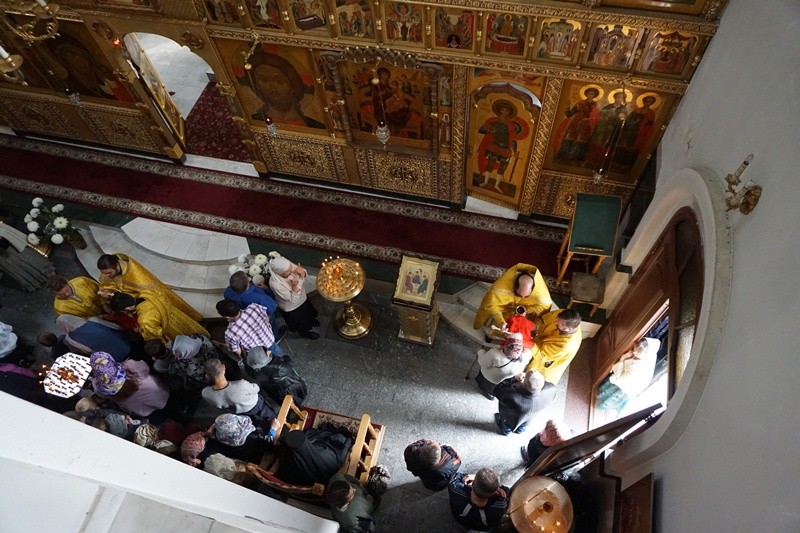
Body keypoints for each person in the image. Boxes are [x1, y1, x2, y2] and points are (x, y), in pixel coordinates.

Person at [97, 253, 202, 322]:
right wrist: (105, 300)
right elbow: (105, 286)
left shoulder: (136, 274)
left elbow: (151, 293)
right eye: (104, 273)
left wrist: (129, 302)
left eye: (109, 273)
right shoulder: (107, 273)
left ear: (116, 265)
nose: (107, 276)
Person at [243, 52, 325, 128]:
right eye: (264, 80)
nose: (272, 87)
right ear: (257, 86)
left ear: (293, 86)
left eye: (278, 81)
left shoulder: (315, 127)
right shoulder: (254, 121)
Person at [473, 263, 552, 342]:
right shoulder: (499, 288)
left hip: (526, 314)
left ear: (533, 289)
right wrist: (501, 321)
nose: (522, 298)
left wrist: (527, 310)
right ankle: (492, 336)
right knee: (497, 326)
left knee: (523, 328)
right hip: (504, 311)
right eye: (519, 295)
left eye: (526, 296)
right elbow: (491, 305)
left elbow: (543, 307)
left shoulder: (541, 294)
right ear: (514, 286)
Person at [89, 351, 170, 418]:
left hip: (143, 411)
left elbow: (98, 389)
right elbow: (146, 367)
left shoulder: (100, 388)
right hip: (160, 394)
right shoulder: (130, 366)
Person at [108, 291, 209, 343]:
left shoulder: (144, 319)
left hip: (172, 329)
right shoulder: (147, 293)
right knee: (194, 330)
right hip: (178, 315)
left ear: (126, 308)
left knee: (191, 340)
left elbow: (154, 335)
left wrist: (140, 331)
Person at [475, 99, 531, 192]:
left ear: (509, 112)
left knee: (503, 167)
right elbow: (481, 130)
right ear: (499, 110)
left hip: (505, 148)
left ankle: (497, 186)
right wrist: (490, 130)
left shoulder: (512, 125)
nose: (504, 112)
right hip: (494, 146)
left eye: (507, 110)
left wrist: (515, 151)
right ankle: (485, 182)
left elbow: (512, 139)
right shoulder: (492, 120)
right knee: (490, 164)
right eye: (503, 110)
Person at [596, 337, 660, 415]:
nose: (635, 352)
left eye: (638, 352)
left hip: (627, 386)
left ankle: (602, 406)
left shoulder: (638, 368)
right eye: (635, 349)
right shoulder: (650, 355)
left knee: (612, 397)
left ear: (645, 354)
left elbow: (620, 378)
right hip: (630, 384)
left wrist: (622, 359)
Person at [215, 299, 286, 366]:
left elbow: (237, 350)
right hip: (268, 340)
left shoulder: (230, 333)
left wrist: (241, 358)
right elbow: (267, 318)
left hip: (255, 353)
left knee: (261, 364)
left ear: (227, 317)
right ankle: (284, 362)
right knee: (280, 355)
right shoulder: (254, 307)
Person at [201, 357, 276, 420]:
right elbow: (256, 388)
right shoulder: (241, 385)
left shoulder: (205, 393)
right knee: (269, 415)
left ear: (207, 376)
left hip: (238, 412)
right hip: (255, 405)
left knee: (249, 421)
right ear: (223, 367)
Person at [278, 426, 354, 486]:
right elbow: (341, 457)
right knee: (339, 438)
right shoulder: (329, 463)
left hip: (309, 478)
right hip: (329, 460)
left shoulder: (288, 463)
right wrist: (349, 439)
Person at [523, 308, 582, 385]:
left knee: (530, 379)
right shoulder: (561, 316)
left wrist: (527, 343)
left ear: (568, 329)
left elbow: (542, 355)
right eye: (557, 319)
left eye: (559, 324)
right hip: (542, 343)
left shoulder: (566, 345)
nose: (556, 322)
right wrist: (533, 326)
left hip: (547, 360)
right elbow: (544, 322)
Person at [267, 253, 319, 339]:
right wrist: (296, 284)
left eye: (290, 268)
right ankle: (306, 333)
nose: (291, 271)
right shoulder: (275, 284)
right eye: (287, 271)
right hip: (292, 307)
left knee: (309, 312)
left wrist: (302, 272)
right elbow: (293, 299)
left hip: (303, 298)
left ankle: (312, 321)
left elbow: (302, 271)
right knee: (301, 323)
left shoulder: (288, 266)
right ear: (280, 273)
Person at [145, 334, 220, 392]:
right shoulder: (201, 338)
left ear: (154, 357)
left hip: (208, 378)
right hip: (217, 362)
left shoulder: (176, 365)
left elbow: (175, 373)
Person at [494, 370, 556, 435]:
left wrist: (514, 378)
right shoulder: (551, 389)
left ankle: (506, 432)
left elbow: (497, 390)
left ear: (523, 383)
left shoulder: (512, 396)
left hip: (511, 419)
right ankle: (520, 430)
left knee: (507, 425)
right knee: (524, 425)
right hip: (530, 417)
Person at [475, 332, 530, 400]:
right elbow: (528, 351)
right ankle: (491, 395)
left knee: (484, 385)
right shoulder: (525, 357)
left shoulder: (495, 355)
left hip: (487, 378)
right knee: (494, 390)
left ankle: (484, 390)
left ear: (506, 347)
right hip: (502, 382)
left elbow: (483, 363)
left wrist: (480, 351)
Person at [553, 86, 601, 163]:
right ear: (586, 94)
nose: (590, 95)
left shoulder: (595, 105)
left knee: (581, 140)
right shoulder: (580, 103)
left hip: (586, 125)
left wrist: (589, 119)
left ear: (594, 95)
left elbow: (596, 117)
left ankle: (576, 159)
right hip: (575, 124)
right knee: (569, 139)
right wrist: (567, 107)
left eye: (592, 94)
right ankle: (563, 157)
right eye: (589, 93)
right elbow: (569, 114)